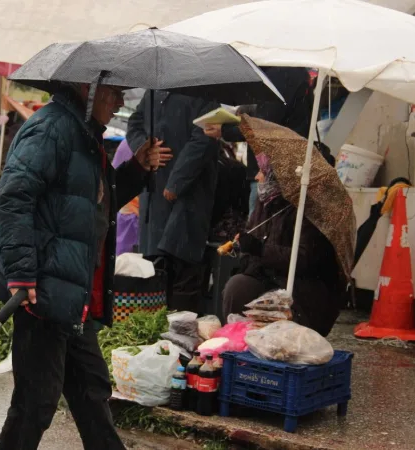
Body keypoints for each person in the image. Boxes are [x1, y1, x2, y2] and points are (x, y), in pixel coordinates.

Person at [0, 82, 170, 450]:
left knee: (91, 391)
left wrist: (136, 169)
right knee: (35, 402)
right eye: (114, 92)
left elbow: (88, 205)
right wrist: (22, 274)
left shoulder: (85, 135)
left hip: (72, 292)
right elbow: (11, 199)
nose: (119, 102)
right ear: (89, 88)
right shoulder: (52, 128)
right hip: (44, 290)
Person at [221, 153, 344, 336]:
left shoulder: (308, 211)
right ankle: (235, 339)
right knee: (237, 286)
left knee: (280, 303)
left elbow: (305, 258)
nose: (256, 177)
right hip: (268, 277)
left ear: (276, 176)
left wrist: (260, 249)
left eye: (262, 172)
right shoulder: (264, 204)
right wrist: (246, 250)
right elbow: (254, 243)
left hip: (302, 287)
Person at [127, 92, 220, 312]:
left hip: (188, 197)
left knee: (183, 272)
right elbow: (134, 125)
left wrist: (176, 182)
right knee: (154, 272)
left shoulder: (203, 92)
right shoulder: (153, 91)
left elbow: (203, 140)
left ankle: (176, 337)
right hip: (154, 194)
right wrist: (146, 148)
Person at [204, 67, 314, 215]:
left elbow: (264, 124)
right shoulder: (292, 74)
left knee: (260, 228)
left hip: (271, 171)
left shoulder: (280, 75)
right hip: (283, 168)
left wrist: (225, 130)